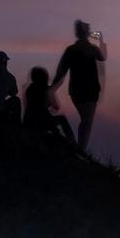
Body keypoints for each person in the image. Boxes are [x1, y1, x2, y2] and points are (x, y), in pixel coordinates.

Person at [50, 19, 106, 151]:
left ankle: (80, 148)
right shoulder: (92, 49)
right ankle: (81, 150)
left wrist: (52, 88)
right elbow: (103, 57)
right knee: (87, 122)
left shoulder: (71, 50)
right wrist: (101, 41)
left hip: (76, 91)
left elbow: (61, 72)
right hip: (90, 91)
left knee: (85, 120)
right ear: (86, 33)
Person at [23, 66, 74, 141]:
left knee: (54, 129)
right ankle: (73, 142)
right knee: (62, 119)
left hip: (28, 121)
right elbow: (56, 107)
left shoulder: (29, 89)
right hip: (42, 121)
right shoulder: (46, 90)